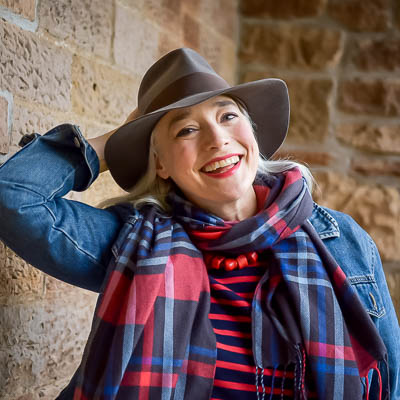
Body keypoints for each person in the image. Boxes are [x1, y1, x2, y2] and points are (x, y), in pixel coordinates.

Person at [0, 48, 398, 400]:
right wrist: (116, 140)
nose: (216, 138)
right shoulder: (133, 245)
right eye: (186, 129)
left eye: (228, 116)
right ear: (161, 164)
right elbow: (14, 197)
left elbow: (391, 380)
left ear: (252, 135)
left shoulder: (340, 239)